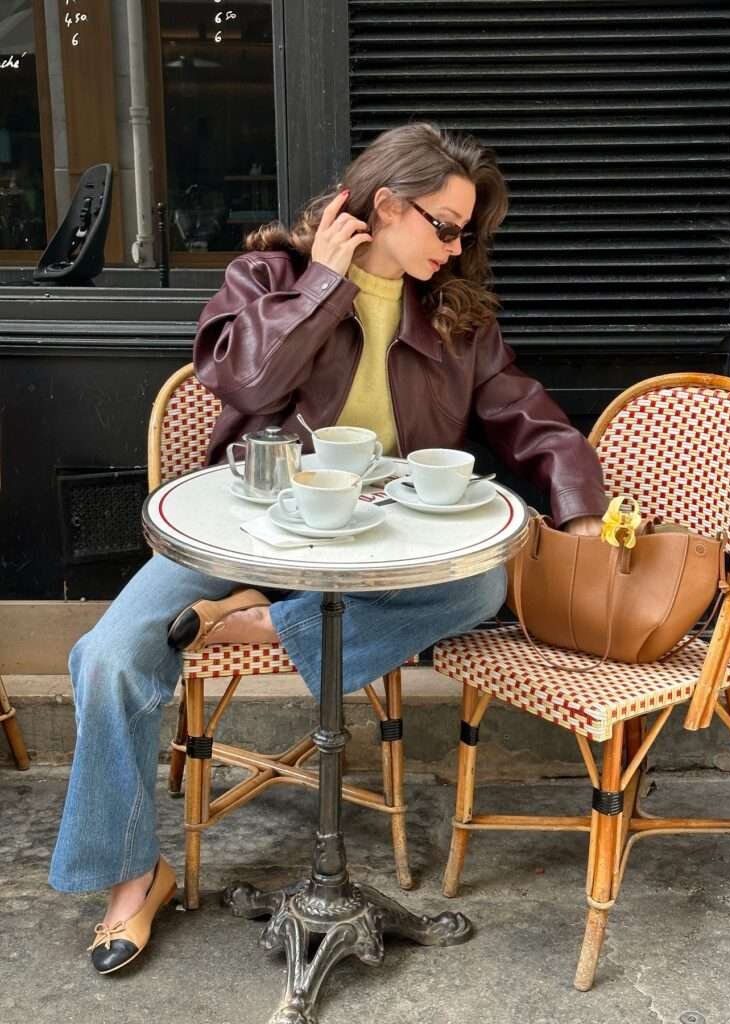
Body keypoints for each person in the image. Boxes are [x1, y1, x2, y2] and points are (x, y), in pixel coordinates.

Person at [49, 122, 609, 974]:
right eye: (444, 226)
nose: (457, 250)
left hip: (380, 547)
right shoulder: (267, 277)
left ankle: (255, 629)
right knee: (108, 658)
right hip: (247, 538)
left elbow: (525, 415)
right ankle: (135, 877)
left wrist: (578, 513)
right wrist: (324, 284)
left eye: (466, 234)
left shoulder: (455, 313)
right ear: (385, 205)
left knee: (482, 585)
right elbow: (242, 382)